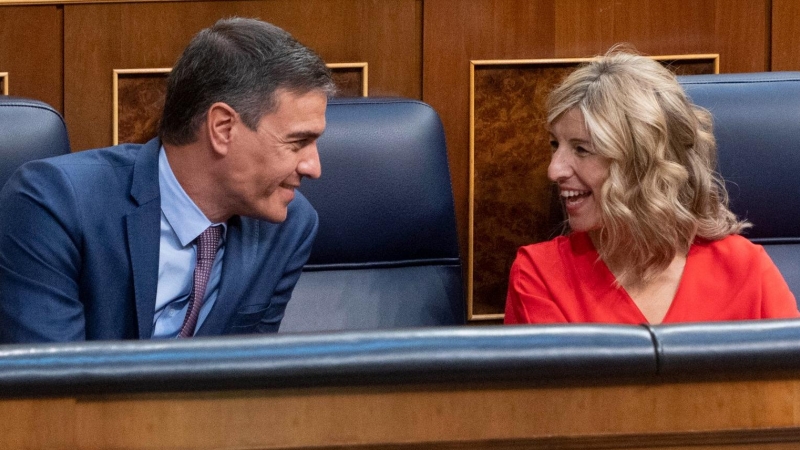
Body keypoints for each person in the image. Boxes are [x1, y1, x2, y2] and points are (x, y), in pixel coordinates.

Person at [0, 17, 337, 342]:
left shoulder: (290, 225)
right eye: (297, 143)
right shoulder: (53, 205)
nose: (313, 167)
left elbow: (249, 379)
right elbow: (51, 391)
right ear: (223, 128)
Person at [505, 49, 800, 325]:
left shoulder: (744, 267)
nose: (553, 170)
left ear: (643, 163)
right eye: (555, 144)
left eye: (582, 149)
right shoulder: (540, 274)